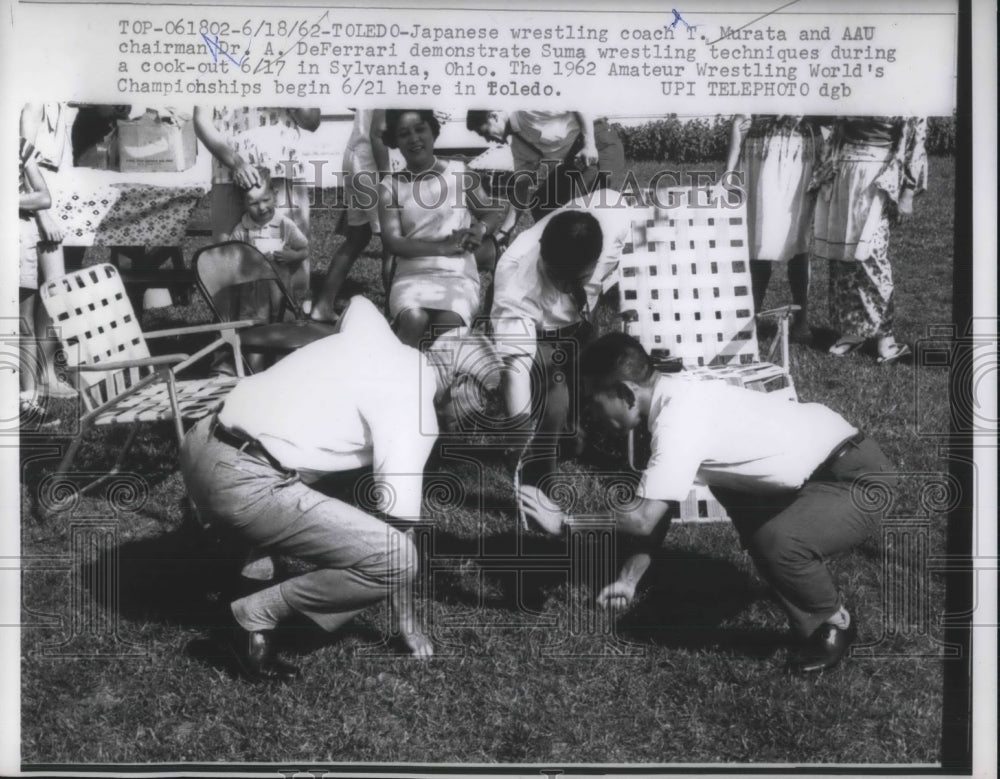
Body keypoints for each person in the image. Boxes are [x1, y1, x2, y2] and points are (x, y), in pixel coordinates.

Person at [521, 332, 896, 673]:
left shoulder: (676, 424)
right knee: (738, 498)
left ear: (626, 393)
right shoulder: (672, 392)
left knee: (780, 541)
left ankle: (834, 621)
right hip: (819, 469)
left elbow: (640, 519)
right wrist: (629, 580)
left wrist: (566, 522)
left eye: (594, 401)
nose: (593, 414)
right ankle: (793, 584)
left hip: (858, 479)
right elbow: (658, 508)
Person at [179, 296, 502, 682]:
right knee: (397, 559)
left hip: (198, 442)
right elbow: (399, 526)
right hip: (238, 484)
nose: (480, 417)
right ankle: (249, 618)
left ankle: (248, 565)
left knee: (309, 457)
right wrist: (407, 624)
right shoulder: (415, 411)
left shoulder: (378, 340)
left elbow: (359, 304)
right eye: (484, 399)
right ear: (460, 383)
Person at [491, 192, 633, 498]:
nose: (567, 287)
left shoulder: (616, 215)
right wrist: (520, 431)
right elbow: (515, 368)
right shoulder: (515, 281)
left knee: (602, 373)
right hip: (540, 328)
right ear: (542, 252)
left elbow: (638, 251)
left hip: (579, 321)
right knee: (553, 399)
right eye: (559, 278)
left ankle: (588, 439)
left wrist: (627, 291)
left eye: (577, 279)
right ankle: (537, 482)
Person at [379, 109, 507, 347]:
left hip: (457, 274)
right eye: (404, 134)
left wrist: (480, 229)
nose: (414, 138)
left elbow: (491, 213)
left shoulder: (459, 172)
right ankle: (402, 380)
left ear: (433, 131)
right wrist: (444, 247)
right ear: (395, 141)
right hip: (412, 274)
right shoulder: (390, 186)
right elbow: (393, 242)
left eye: (420, 129)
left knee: (449, 325)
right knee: (414, 320)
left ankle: (444, 382)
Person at [811, 116, 927, 364]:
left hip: (879, 172)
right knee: (843, 257)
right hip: (844, 169)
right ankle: (852, 331)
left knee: (873, 257)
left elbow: (916, 138)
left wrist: (907, 190)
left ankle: (886, 337)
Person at [726, 115, 820, 343]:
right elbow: (741, 114)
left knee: (798, 238)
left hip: (797, 147)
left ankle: (802, 319)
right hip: (758, 149)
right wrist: (728, 171)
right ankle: (751, 317)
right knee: (756, 238)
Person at [466, 110, 626, 221]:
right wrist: (503, 234)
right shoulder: (518, 146)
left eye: (485, 132)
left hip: (598, 143)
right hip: (575, 160)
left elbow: (578, 102)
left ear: (493, 116)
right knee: (542, 203)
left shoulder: (527, 111)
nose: (487, 140)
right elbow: (521, 189)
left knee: (585, 208)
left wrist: (589, 144)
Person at [309, 108, 390, 323]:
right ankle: (396, 312)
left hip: (355, 156)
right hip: (370, 162)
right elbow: (378, 132)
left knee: (358, 237)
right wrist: (387, 177)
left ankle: (323, 305)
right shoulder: (391, 80)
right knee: (392, 242)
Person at [193, 106, 321, 241]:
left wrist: (294, 96)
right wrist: (236, 164)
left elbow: (312, 123)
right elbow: (201, 121)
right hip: (228, 172)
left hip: (284, 169)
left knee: (291, 247)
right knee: (227, 252)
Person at [224, 175, 310, 306]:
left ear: (275, 196)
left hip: (280, 286)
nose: (262, 207)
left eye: (266, 200)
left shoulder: (285, 225)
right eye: (254, 203)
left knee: (282, 313)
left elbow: (304, 250)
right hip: (252, 289)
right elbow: (231, 258)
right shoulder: (242, 228)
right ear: (243, 203)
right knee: (254, 317)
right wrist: (247, 262)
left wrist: (293, 256)